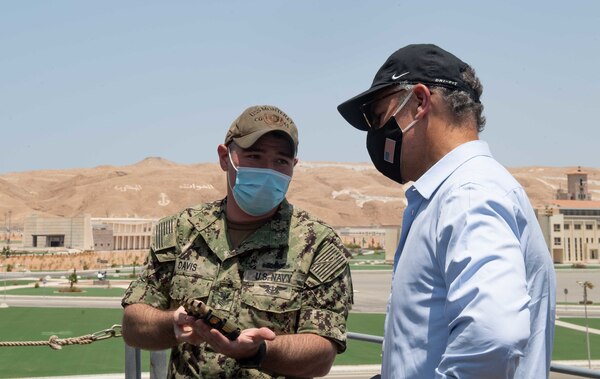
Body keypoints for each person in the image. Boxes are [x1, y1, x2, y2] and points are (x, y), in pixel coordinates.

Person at [337, 44, 556, 378]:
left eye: (379, 117)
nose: (377, 134)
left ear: (421, 103)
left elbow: (493, 336)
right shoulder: (460, 192)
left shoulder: (467, 195)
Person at [121, 105, 353, 378]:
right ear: (224, 157)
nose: (268, 170)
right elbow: (133, 325)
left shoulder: (317, 244)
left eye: (281, 161)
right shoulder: (181, 231)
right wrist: (172, 323)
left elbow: (321, 355)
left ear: (294, 166)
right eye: (254, 156)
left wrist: (258, 351)